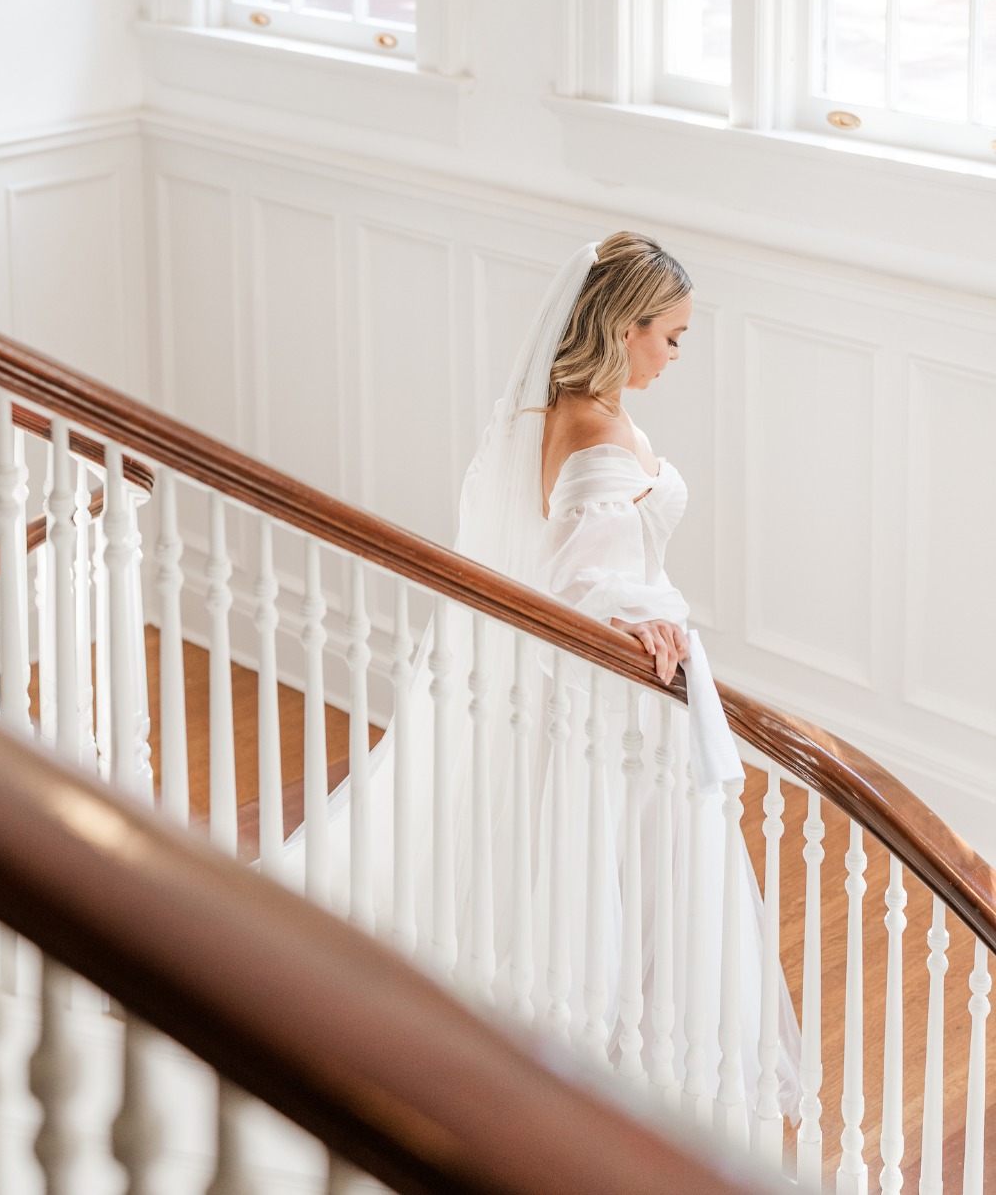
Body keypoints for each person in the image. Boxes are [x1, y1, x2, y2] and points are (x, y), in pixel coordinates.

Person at [285, 232, 801, 1120]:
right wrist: (643, 617)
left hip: (565, 683)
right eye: (670, 335)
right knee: (618, 860)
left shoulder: (549, 408)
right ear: (625, 325)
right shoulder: (599, 431)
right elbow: (577, 580)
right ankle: (603, 1056)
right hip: (614, 696)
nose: (676, 355)